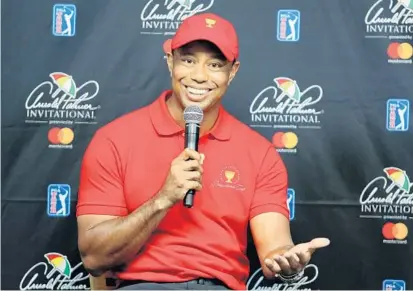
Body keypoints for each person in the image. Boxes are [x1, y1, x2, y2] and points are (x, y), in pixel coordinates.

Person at [76, 12, 330, 290]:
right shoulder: (114, 139)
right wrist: (163, 198)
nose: (199, 76)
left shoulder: (260, 153)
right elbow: (94, 257)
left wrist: (287, 261)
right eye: (188, 60)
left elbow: (275, 249)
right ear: (170, 62)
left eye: (215, 64)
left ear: (232, 72)